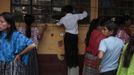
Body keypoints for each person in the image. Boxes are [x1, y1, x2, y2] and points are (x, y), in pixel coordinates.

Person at [56, 5, 87, 75]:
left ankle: (70, 68)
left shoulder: (63, 18)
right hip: (74, 37)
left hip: (67, 37)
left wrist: (59, 20)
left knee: (68, 52)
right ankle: (74, 69)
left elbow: (57, 24)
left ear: (65, 12)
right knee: (74, 52)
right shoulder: (76, 16)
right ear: (72, 11)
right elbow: (85, 14)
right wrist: (83, 10)